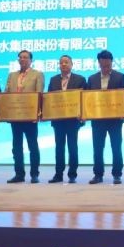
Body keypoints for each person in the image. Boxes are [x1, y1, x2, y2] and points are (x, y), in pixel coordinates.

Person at [86, 50, 124, 184]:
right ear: (99, 63)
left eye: (108, 65)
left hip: (115, 120)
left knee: (116, 148)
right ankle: (98, 174)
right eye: (103, 65)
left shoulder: (120, 77)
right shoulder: (92, 79)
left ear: (111, 63)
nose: (105, 68)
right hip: (97, 120)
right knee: (98, 149)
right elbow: (87, 99)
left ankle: (117, 174)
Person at [5, 50, 45, 183]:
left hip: (30, 117)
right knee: (16, 147)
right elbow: (6, 93)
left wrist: (37, 113)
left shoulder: (37, 74)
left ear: (31, 60)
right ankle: (19, 174)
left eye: (25, 57)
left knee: (32, 146)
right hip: (15, 116)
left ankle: (34, 174)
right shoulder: (12, 75)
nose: (22, 59)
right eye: (20, 57)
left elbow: (39, 94)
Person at [47, 55, 87, 184]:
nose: (63, 64)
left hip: (73, 120)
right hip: (58, 120)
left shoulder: (80, 79)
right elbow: (49, 99)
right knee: (59, 148)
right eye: (61, 62)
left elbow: (84, 99)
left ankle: (72, 174)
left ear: (71, 64)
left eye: (66, 62)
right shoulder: (53, 80)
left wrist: (83, 116)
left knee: (72, 147)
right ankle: (58, 174)